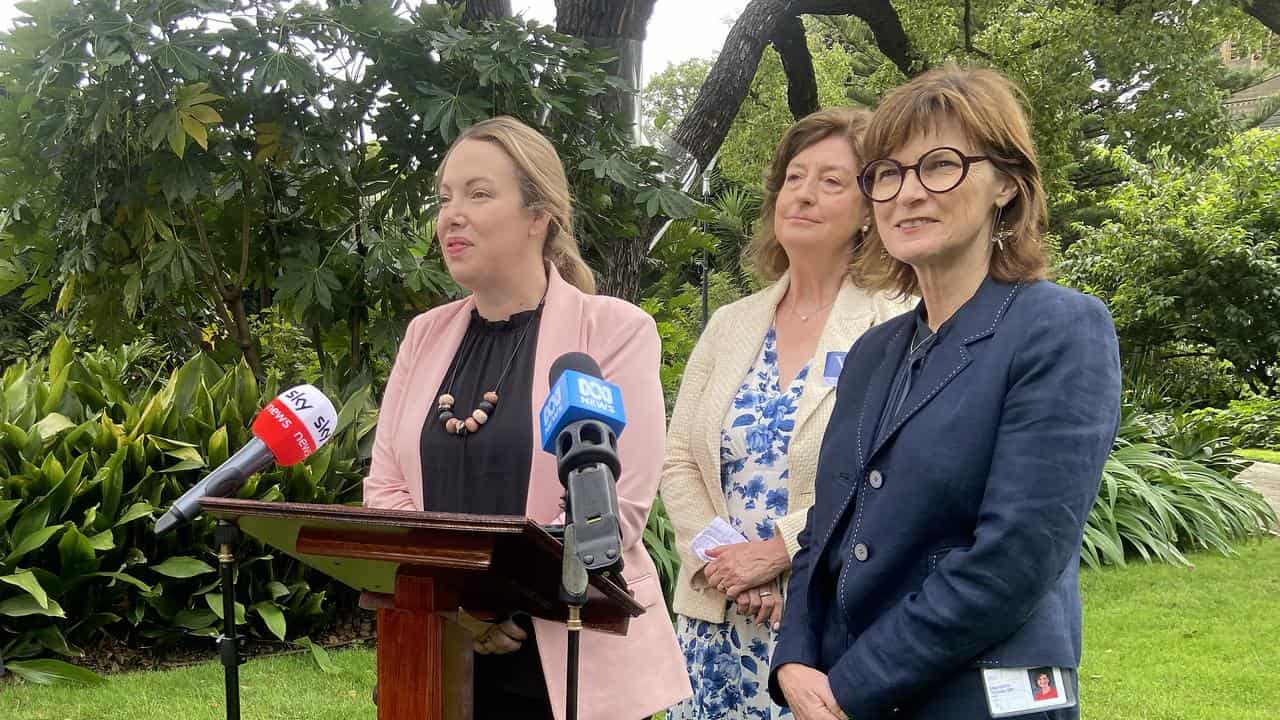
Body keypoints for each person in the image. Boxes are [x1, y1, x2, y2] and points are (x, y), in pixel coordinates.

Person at [768, 66, 1122, 720]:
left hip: (975, 697)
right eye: (888, 174)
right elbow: (825, 529)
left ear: (1008, 187)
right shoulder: (874, 354)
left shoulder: (1059, 330)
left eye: (940, 165)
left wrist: (849, 688)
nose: (907, 193)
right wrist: (792, 657)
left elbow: (1012, 561)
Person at [363, 116, 691, 719]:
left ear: (539, 214)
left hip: (571, 655)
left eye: (479, 194)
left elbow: (612, 511)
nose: (451, 215)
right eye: (445, 197)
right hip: (441, 646)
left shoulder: (614, 332)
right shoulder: (423, 337)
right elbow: (386, 492)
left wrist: (491, 606)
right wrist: (458, 610)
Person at [660, 108, 911, 720]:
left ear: (868, 205)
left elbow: (895, 469)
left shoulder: (900, 318)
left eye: (831, 181)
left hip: (825, 616)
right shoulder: (730, 323)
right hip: (719, 618)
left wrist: (780, 551)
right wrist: (728, 564)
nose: (803, 192)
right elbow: (676, 461)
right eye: (795, 176)